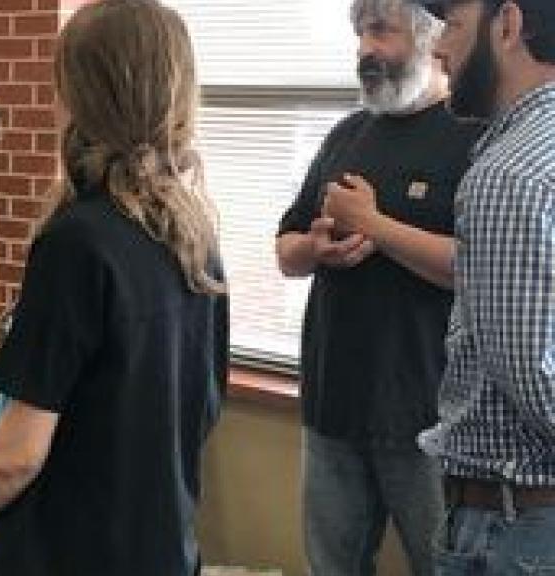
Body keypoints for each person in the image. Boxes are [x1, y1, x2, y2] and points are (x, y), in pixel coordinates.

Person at [0, 2, 228, 575]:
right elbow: (204, 408)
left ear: (83, 97)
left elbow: (17, 458)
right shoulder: (195, 235)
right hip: (163, 548)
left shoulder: (76, 241)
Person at [275, 0, 482, 574]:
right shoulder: (346, 135)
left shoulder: (473, 137)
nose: (367, 48)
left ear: (429, 38)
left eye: (382, 31)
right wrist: (315, 249)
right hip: (331, 406)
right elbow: (285, 250)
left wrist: (375, 226)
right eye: (362, 34)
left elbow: (477, 269)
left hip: (429, 418)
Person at [409, 0, 555, 573]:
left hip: (518, 530)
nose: (438, 47)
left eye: (453, 25)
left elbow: (537, 381)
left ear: (508, 24)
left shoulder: (509, 175)